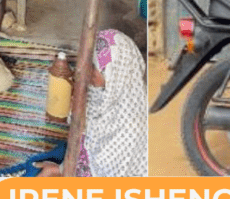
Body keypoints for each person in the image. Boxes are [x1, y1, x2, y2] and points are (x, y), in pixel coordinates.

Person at [34, 29, 148, 177]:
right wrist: (60, 169)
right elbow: (85, 145)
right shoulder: (101, 94)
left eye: (95, 67)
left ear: (115, 73)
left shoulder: (131, 129)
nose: (88, 71)